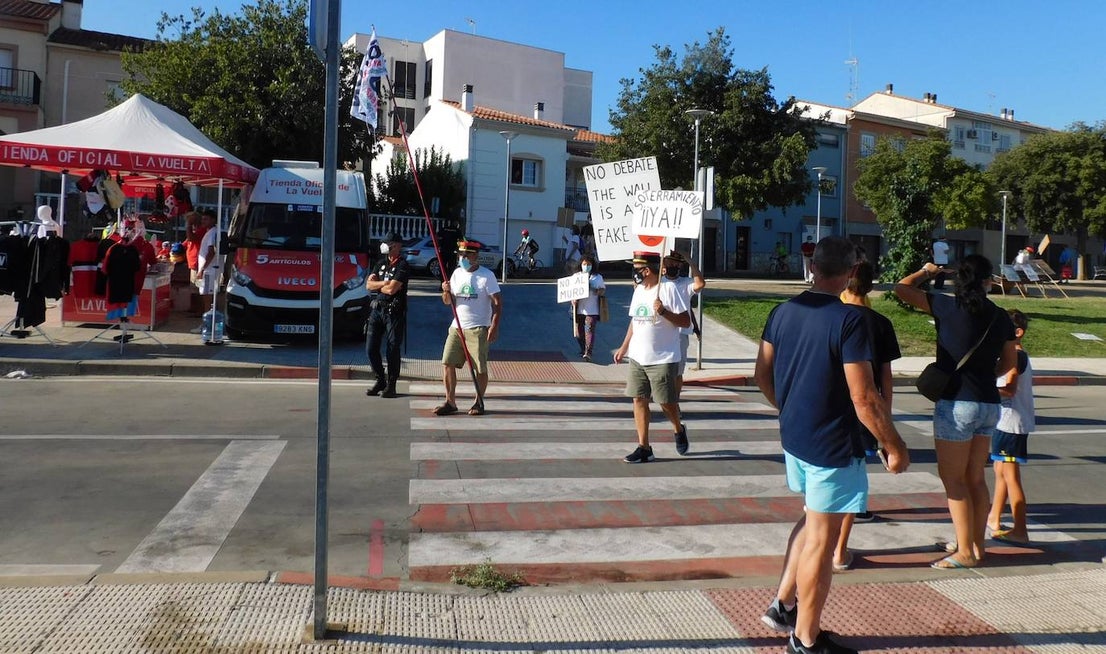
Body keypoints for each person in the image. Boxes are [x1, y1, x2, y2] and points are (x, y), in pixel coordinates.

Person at [755, 236, 909, 654]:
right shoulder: (850, 321)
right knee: (822, 543)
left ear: (813, 267)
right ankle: (805, 638)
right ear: (851, 272)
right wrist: (893, 443)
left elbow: (762, 375)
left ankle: (784, 606)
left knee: (812, 522)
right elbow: (864, 397)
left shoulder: (782, 311)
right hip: (833, 443)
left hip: (797, 438)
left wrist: (787, 409)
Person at [894, 255, 1017, 570]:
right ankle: (976, 546)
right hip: (988, 403)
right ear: (988, 281)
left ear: (958, 279)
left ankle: (964, 552)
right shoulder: (1000, 316)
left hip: (956, 403)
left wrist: (927, 271)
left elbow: (901, 289)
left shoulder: (947, 307)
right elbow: (1008, 364)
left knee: (953, 481)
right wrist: (986, 375)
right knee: (975, 479)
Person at [832, 258, 902, 572]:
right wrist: (884, 425)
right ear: (871, 286)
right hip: (865, 411)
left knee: (831, 481)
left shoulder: (833, 317)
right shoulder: (881, 323)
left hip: (831, 407)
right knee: (852, 483)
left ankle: (827, 545)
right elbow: (885, 381)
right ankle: (839, 551)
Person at [613, 251, 691, 461]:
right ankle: (644, 447)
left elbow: (686, 322)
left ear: (647, 270)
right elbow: (634, 321)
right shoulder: (638, 290)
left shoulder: (669, 289)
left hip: (663, 358)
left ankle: (678, 428)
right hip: (638, 356)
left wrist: (664, 312)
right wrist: (624, 347)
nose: (634, 273)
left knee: (666, 402)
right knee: (638, 399)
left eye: (637, 269)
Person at [435, 239, 502, 416]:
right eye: (460, 255)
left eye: (466, 255)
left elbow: (498, 303)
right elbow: (449, 302)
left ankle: (478, 402)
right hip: (456, 327)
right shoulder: (457, 273)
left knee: (479, 368)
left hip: (478, 328)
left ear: (475, 256)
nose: (462, 258)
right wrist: (445, 291)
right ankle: (450, 401)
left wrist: (494, 325)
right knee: (447, 362)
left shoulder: (487, 276)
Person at [987, 309, 1036, 545]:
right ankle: (994, 518)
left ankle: (1020, 529)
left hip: (1011, 425)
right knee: (1000, 472)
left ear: (1018, 332)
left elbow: (1009, 390)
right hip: (1005, 423)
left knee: (1010, 476)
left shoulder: (1017, 356)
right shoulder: (1012, 355)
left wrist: (984, 391)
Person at [365, 231, 411, 398]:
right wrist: (383, 283)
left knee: (392, 349)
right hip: (377, 310)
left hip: (394, 312)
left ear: (397, 246)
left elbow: (392, 289)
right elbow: (368, 286)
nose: (385, 245)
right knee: (370, 348)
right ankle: (380, 379)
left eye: (388, 242)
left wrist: (380, 285)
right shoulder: (380, 263)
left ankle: (391, 384)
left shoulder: (403, 265)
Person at [661, 249, 705, 398]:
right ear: (665, 263)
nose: (673, 265)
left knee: (678, 372)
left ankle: (675, 401)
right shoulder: (658, 283)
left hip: (680, 333)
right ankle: (664, 398)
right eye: (670, 262)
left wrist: (690, 261)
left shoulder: (686, 283)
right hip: (661, 331)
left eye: (677, 263)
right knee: (660, 370)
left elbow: (700, 284)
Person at [572, 254, 605, 362]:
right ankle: (583, 348)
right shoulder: (576, 276)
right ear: (581, 265)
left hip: (592, 309)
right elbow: (570, 292)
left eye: (589, 264)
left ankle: (588, 352)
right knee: (579, 332)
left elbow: (602, 290)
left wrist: (596, 290)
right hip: (579, 309)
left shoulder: (597, 277)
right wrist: (573, 300)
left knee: (589, 329)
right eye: (585, 264)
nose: (586, 266)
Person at [194, 211, 221, 317]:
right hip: (209, 270)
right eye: (203, 219)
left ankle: (208, 323)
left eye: (206, 219)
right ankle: (209, 321)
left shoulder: (213, 232)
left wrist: (202, 269)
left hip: (209, 270)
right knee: (208, 297)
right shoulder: (210, 232)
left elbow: (211, 252)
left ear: (213, 220)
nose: (203, 221)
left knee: (207, 298)